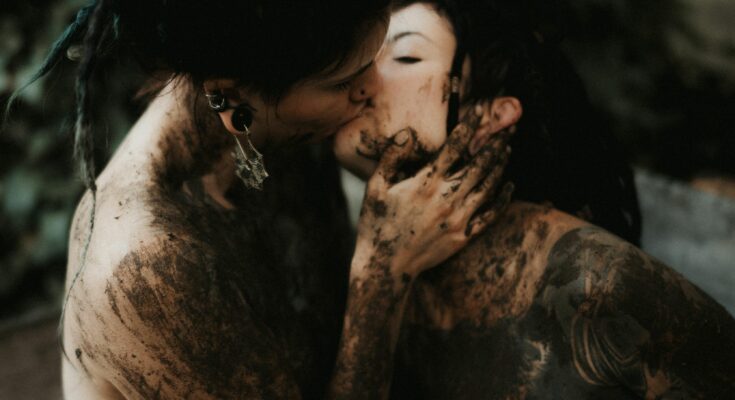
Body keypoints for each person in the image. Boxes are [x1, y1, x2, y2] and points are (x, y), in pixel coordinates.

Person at [6, 0, 512, 398]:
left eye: (379, 57)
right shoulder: (147, 265)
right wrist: (382, 275)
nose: (374, 88)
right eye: (344, 82)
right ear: (230, 97)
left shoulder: (274, 117)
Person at [334, 1, 735, 398]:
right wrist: (380, 276)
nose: (361, 77)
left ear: (491, 117)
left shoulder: (594, 281)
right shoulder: (374, 257)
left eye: (405, 57)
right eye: (367, 55)